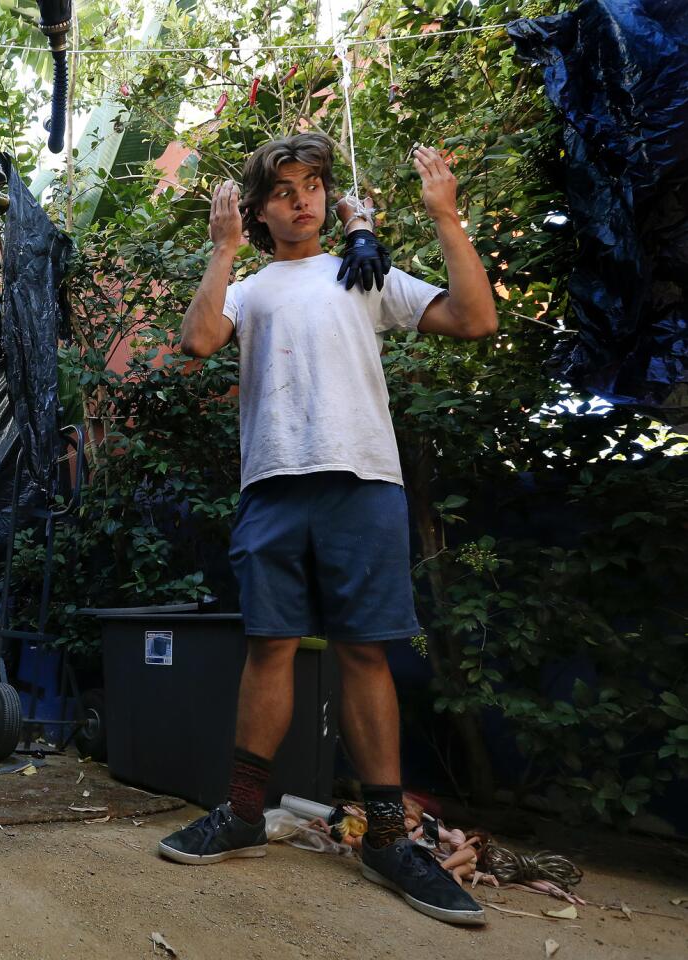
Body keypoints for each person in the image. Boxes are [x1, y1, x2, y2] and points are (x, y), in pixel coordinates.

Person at [159, 132, 497, 927]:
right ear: (261, 209)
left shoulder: (362, 272)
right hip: (272, 485)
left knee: (364, 651)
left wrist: (446, 218)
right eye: (283, 190)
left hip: (365, 480)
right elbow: (197, 339)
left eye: (313, 184)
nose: (302, 198)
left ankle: (386, 839)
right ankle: (242, 814)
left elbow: (475, 318)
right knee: (269, 646)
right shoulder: (251, 289)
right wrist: (221, 252)